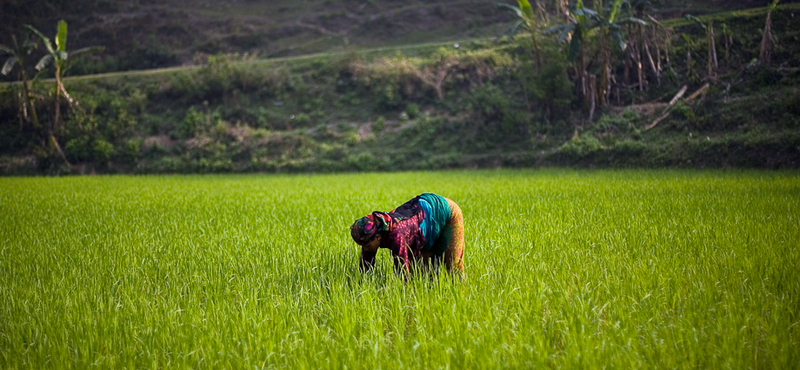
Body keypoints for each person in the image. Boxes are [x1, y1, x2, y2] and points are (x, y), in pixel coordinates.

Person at [350, 193, 464, 276]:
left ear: (378, 237)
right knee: (421, 270)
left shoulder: (396, 234)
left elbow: (402, 272)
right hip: (421, 219)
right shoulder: (374, 230)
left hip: (448, 211)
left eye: (366, 245)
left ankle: (460, 298)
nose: (364, 248)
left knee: (452, 268)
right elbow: (366, 268)